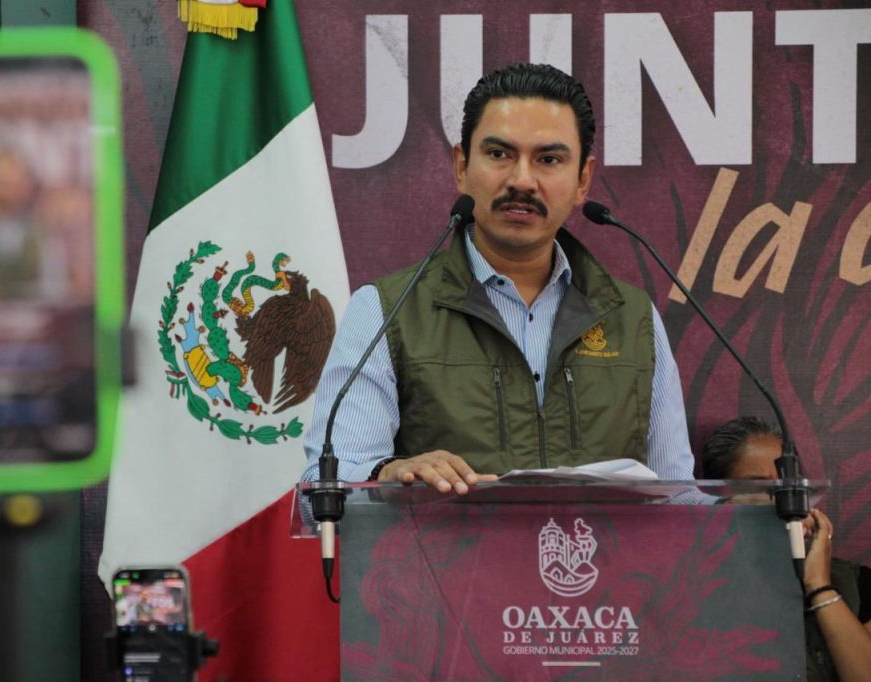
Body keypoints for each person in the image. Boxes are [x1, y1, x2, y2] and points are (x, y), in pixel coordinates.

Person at [301, 63, 695, 492]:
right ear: (461, 166)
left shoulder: (633, 319)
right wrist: (387, 473)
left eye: (549, 159)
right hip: (439, 542)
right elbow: (321, 490)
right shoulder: (387, 312)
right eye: (499, 154)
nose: (522, 180)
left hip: (599, 543)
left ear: (583, 180)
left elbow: (680, 501)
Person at [702, 417, 871, 682]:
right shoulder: (692, 588)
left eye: (788, 487)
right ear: (721, 500)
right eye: (760, 488)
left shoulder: (857, 584)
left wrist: (819, 586)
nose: (779, 502)